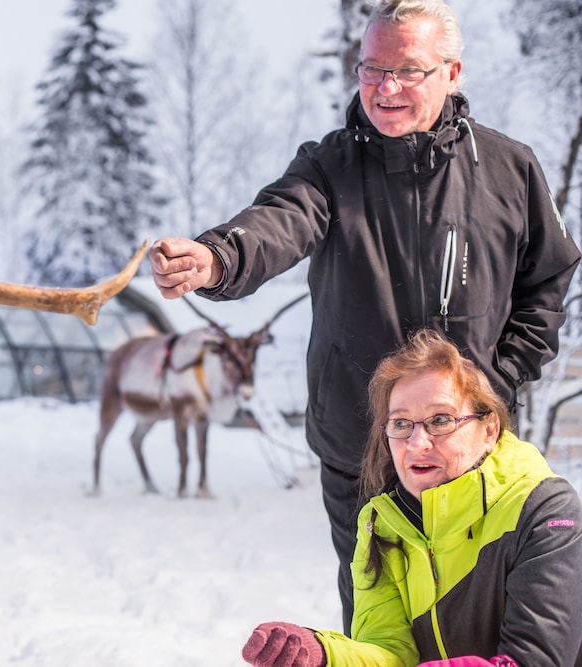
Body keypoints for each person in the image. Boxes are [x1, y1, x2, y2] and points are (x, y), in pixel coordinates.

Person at [149, 0, 580, 630]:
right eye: (371, 69)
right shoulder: (330, 166)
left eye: (407, 70)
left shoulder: (510, 169)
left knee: (478, 624)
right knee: (381, 626)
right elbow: (278, 221)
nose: (386, 88)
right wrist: (216, 258)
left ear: (453, 72)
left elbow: (547, 279)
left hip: (471, 451)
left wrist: (500, 381)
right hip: (364, 451)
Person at [240, 329, 582, 667]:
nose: (417, 443)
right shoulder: (383, 524)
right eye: (401, 424)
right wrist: (322, 655)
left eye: (441, 420)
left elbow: (536, 659)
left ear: (489, 429)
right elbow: (389, 652)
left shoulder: (544, 510)